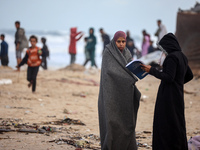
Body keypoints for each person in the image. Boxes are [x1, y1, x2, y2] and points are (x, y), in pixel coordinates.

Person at [141, 33, 193, 150]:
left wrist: (151, 70)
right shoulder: (182, 56)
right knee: (177, 123)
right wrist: (178, 84)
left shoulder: (171, 57)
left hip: (167, 97)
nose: (163, 51)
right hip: (178, 96)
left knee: (164, 122)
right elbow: (189, 75)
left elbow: (168, 77)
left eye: (163, 48)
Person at [98, 31, 141, 150]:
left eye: (123, 41)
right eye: (119, 42)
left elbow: (129, 69)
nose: (121, 44)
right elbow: (109, 73)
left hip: (125, 92)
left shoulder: (127, 52)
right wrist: (127, 76)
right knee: (112, 121)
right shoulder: (108, 52)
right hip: (110, 92)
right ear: (114, 41)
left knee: (126, 120)